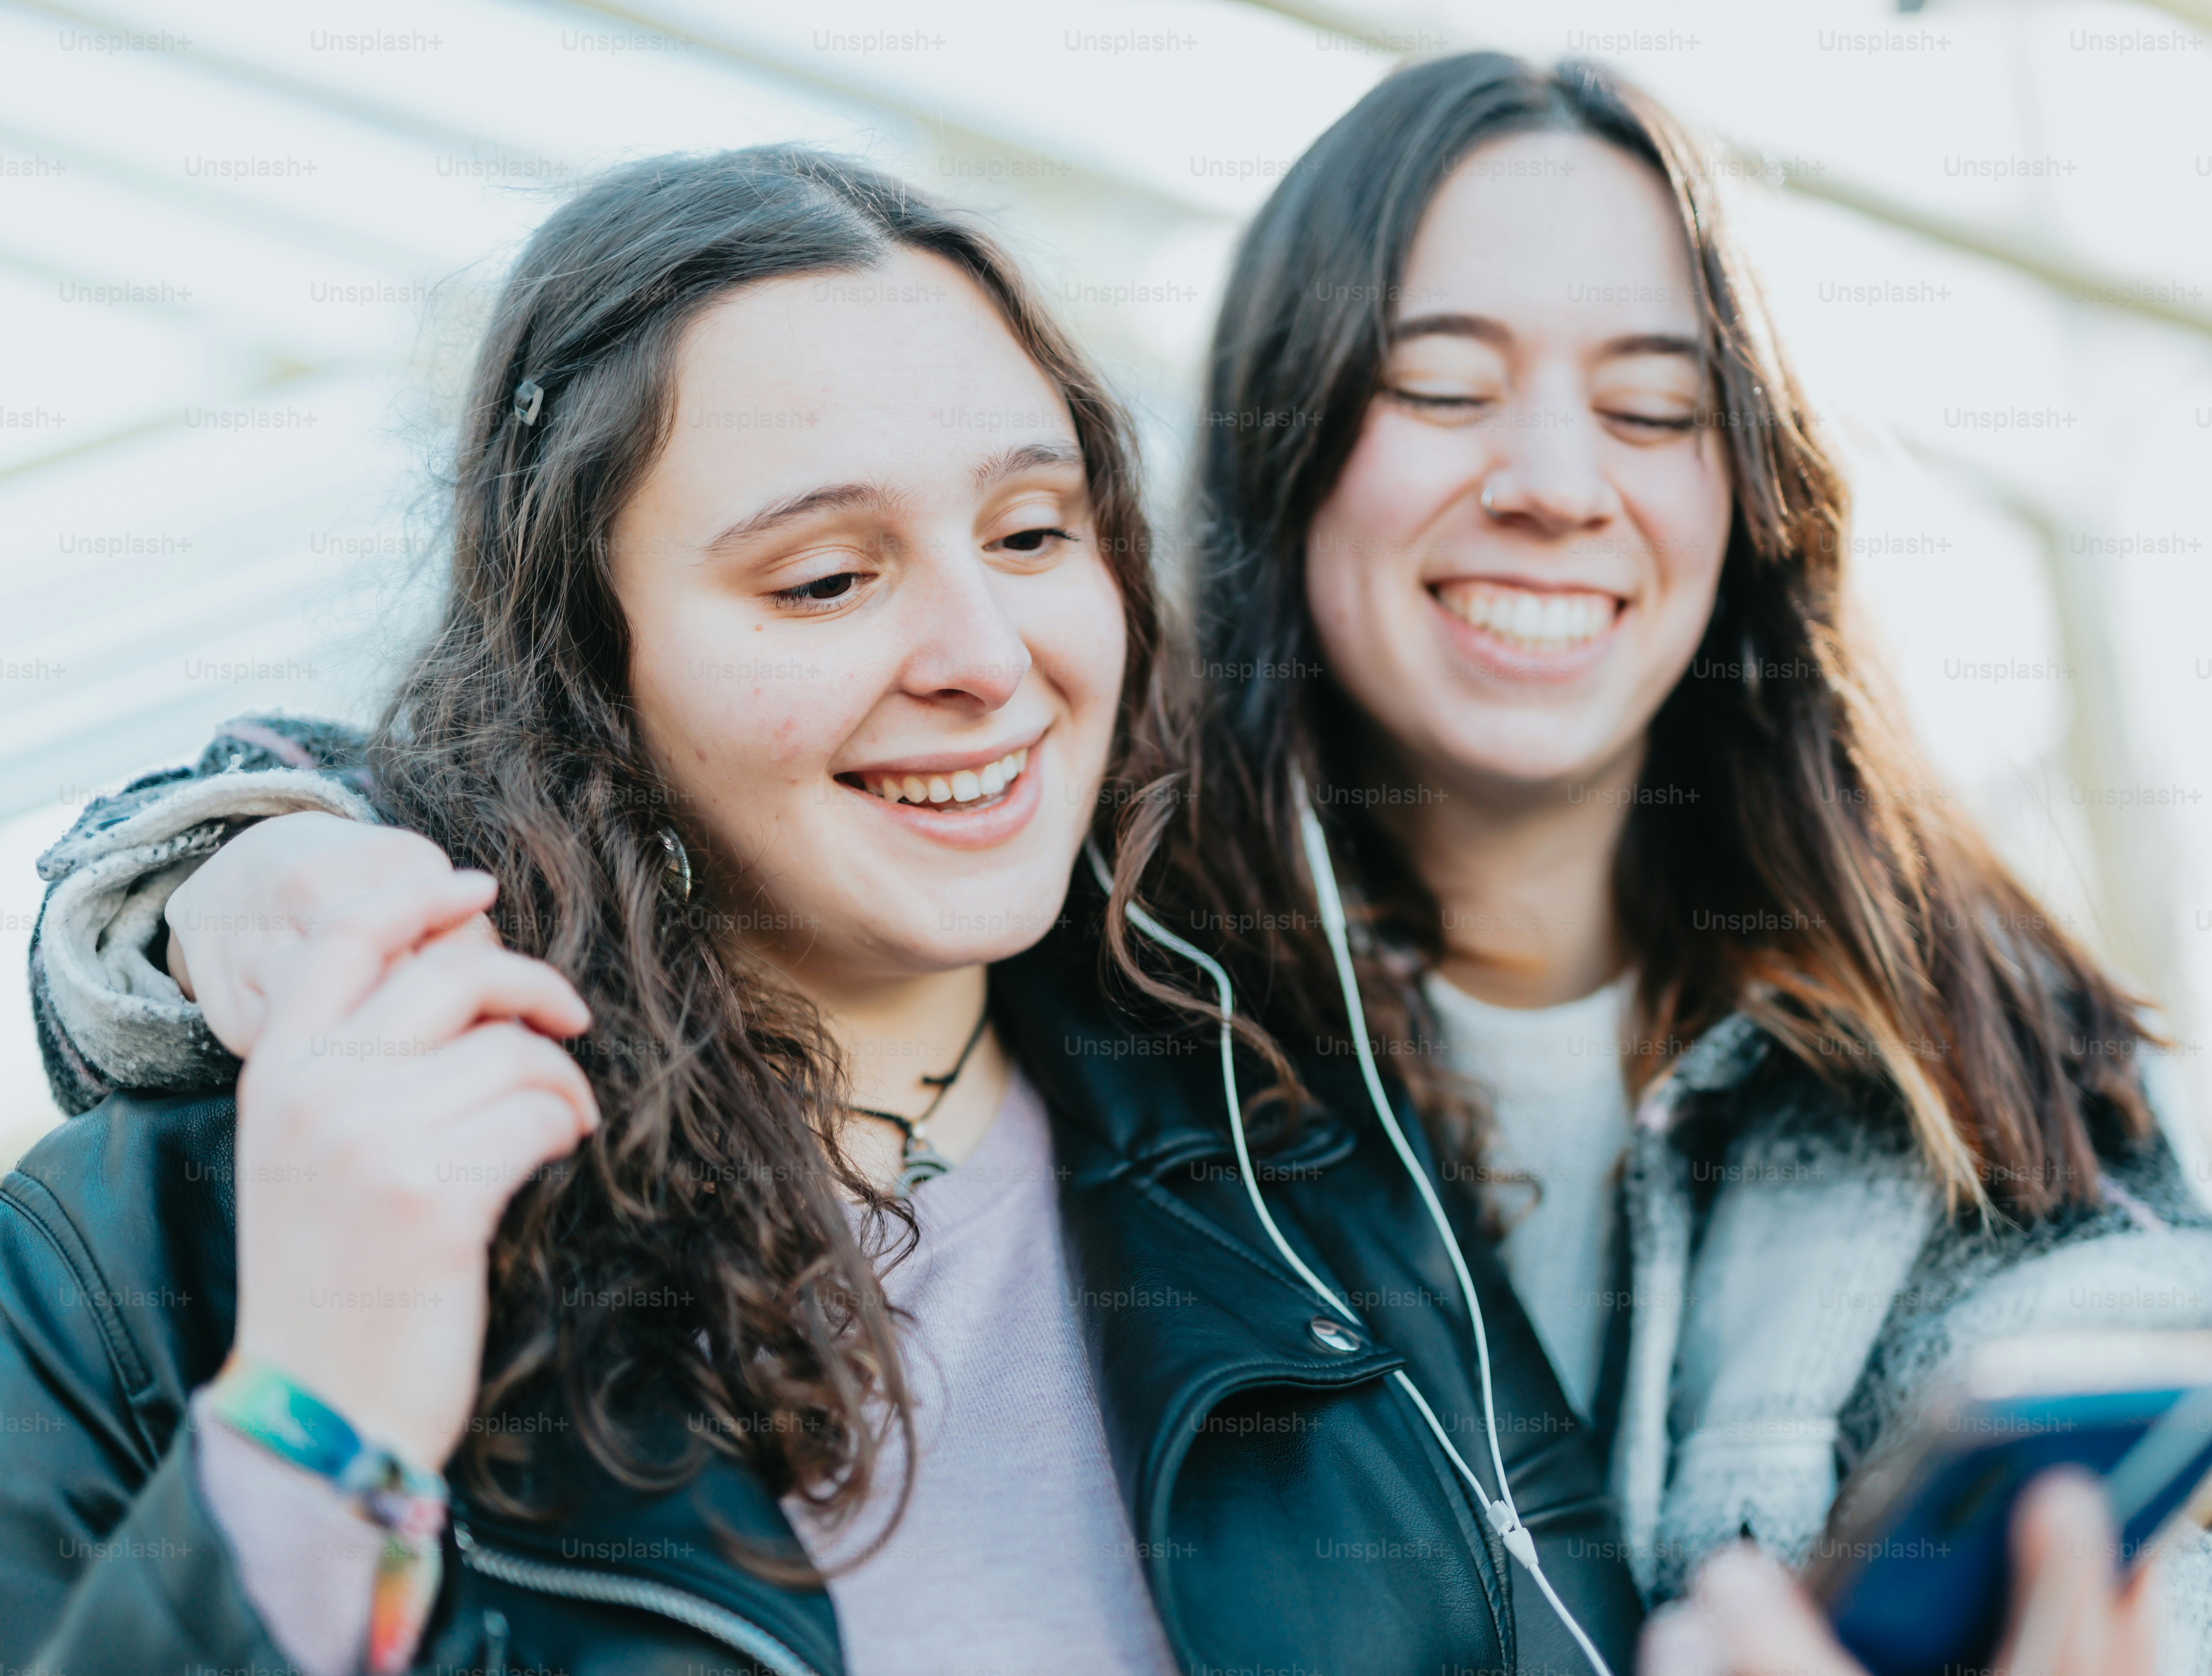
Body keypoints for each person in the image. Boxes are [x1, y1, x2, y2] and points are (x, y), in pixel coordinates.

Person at [0, 145, 1641, 1676]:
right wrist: (324, 1422)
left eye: (1030, 531)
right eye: (828, 580)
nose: (987, 657)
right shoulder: (173, 1236)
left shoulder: (1298, 1155)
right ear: (590, 668)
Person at [1107, 52, 2212, 1674]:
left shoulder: (1974, 1060)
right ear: (1283, 442)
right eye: (1444, 387)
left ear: (1746, 491)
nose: (1551, 484)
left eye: (1654, 408)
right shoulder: (1102, 1033)